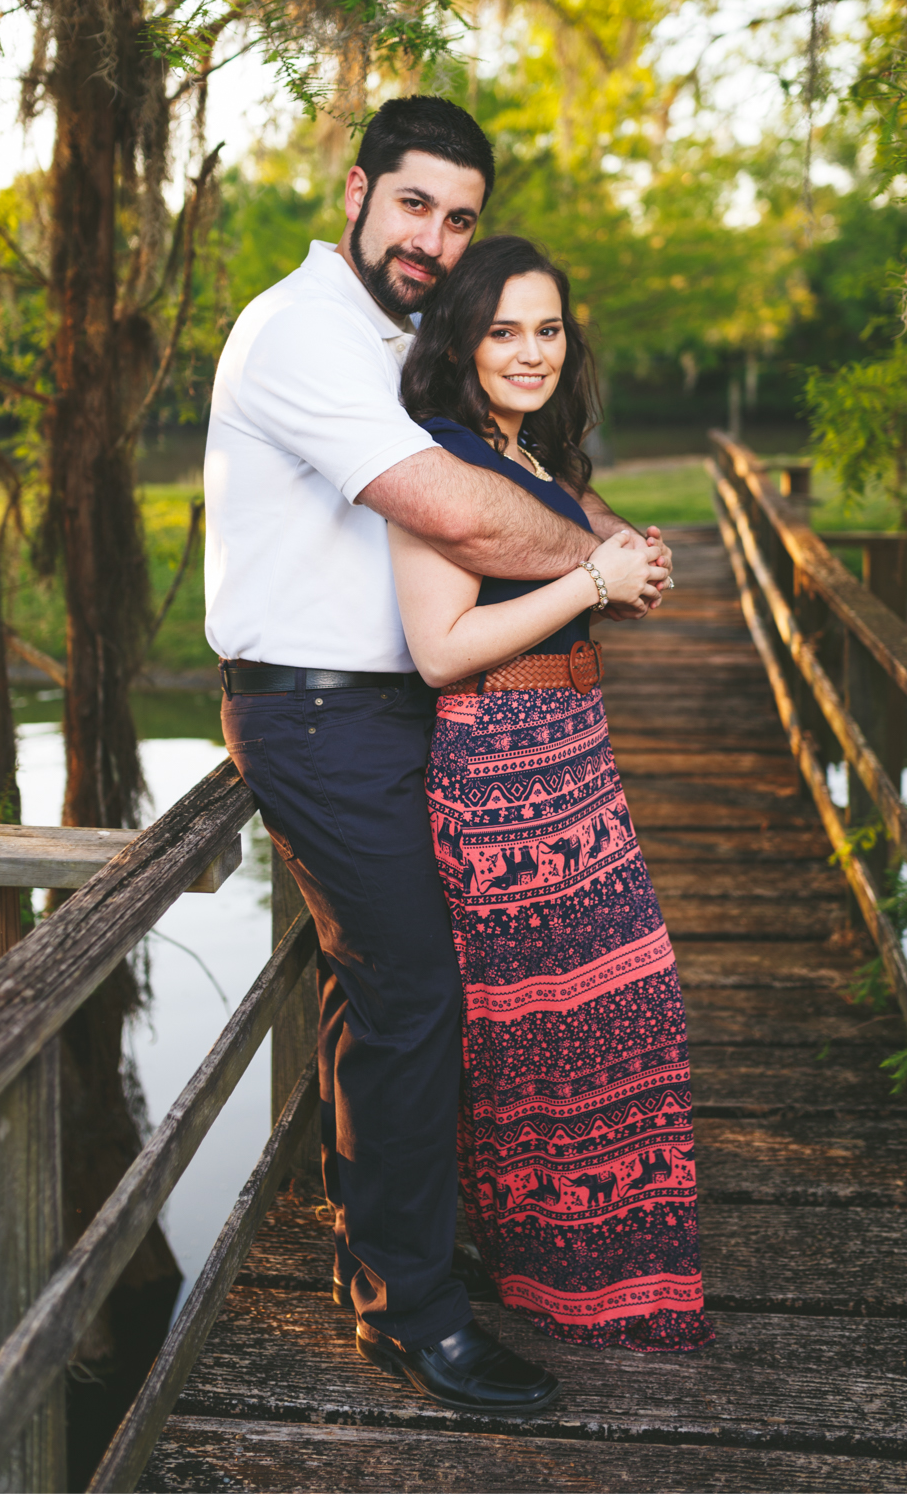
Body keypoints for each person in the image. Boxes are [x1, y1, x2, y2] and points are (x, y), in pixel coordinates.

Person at [207, 95, 675, 1416]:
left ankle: (385, 1249)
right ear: (355, 191)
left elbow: (499, 475)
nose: (435, 236)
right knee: (411, 986)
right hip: (316, 711)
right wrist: (599, 564)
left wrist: (607, 532)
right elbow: (449, 503)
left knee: (394, 991)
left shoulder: (400, 339)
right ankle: (416, 1317)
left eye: (458, 216)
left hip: (407, 704)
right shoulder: (301, 332)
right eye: (415, 204)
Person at [388, 235, 714, 1354]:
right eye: (503, 331)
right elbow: (441, 647)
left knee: (620, 1008)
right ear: (462, 343)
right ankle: (561, 1278)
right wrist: (589, 578)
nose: (530, 352)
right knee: (554, 1027)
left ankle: (602, 1269)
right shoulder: (439, 458)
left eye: (548, 329)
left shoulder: (528, 457)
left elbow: (585, 570)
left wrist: (625, 579)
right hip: (501, 768)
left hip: (577, 749)